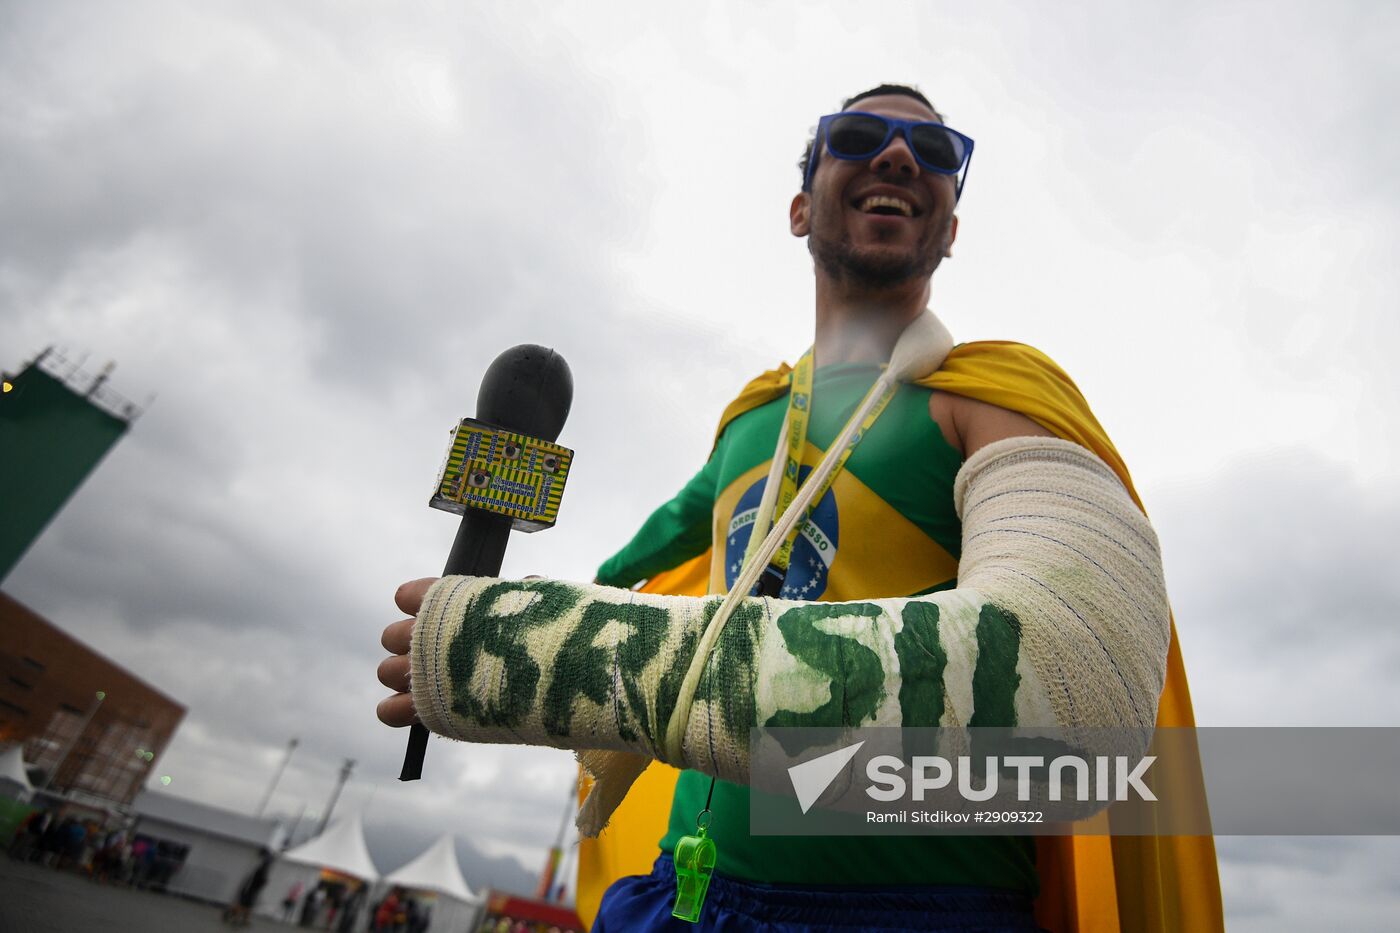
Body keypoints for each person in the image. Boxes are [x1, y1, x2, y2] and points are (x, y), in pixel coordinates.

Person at [378, 84, 1223, 930]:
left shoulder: (996, 395)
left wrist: (521, 651)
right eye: (857, 136)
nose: (899, 155)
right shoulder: (752, 417)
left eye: (935, 151)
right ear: (799, 208)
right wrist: (493, 610)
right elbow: (634, 565)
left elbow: (1069, 680)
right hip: (680, 893)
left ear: (952, 230)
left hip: (909, 910)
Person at [223, 847, 274, 926]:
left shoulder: (264, 864)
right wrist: (262, 881)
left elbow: (261, 875)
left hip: (254, 886)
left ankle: (242, 919)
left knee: (248, 904)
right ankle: (234, 917)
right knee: (243, 903)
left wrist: (263, 882)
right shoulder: (262, 864)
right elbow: (255, 876)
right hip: (250, 886)